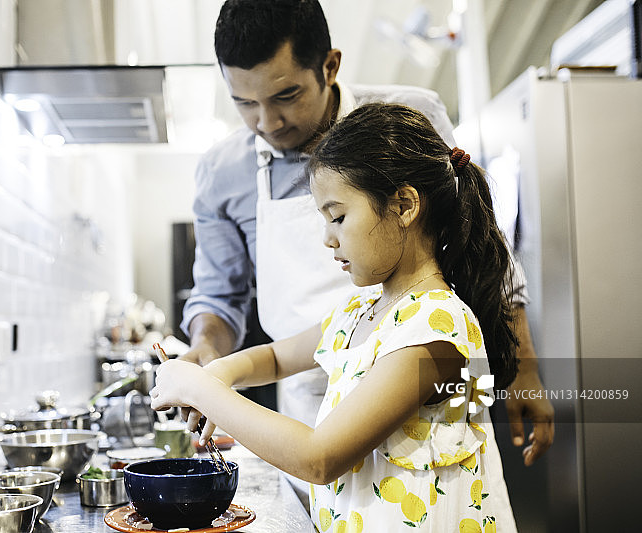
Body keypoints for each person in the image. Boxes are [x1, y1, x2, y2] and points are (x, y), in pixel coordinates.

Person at [179, 0, 553, 475]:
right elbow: (224, 302)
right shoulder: (350, 313)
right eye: (244, 103)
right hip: (306, 403)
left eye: (287, 95)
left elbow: (477, 238)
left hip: (421, 387)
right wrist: (209, 361)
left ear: (330, 66)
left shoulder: (407, 118)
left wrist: (524, 367)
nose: (268, 122)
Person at [153, 102, 518, 531]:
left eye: (338, 217)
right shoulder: (358, 312)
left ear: (404, 205)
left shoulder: (436, 330)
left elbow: (319, 458)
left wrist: (203, 392)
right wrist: (218, 373)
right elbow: (272, 359)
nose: (328, 239)